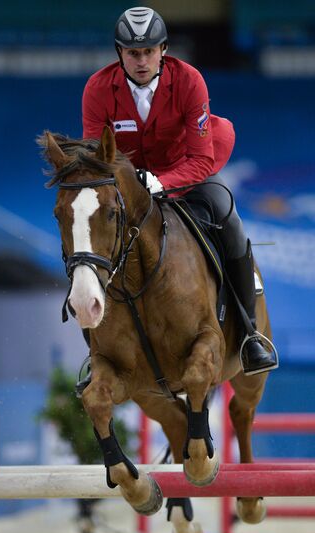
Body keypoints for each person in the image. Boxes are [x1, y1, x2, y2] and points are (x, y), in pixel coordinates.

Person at [80, 6, 277, 376]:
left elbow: (202, 159)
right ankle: (97, 353)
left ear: (164, 49)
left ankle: (250, 334)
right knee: (88, 235)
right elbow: (98, 158)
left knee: (227, 215)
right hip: (128, 184)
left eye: (149, 51)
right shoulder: (97, 89)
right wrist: (130, 184)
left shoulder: (189, 81)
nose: (141, 61)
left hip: (186, 172)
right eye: (133, 52)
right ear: (119, 53)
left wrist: (162, 181)